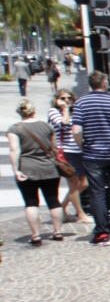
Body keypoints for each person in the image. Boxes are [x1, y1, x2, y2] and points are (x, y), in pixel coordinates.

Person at [72, 71, 110, 246]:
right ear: (105, 83)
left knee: (97, 193)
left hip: (94, 154)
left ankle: (102, 233)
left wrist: (82, 147)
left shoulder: (81, 103)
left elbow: (76, 130)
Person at [7, 99, 65, 245]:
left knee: (31, 202)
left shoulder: (15, 129)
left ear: (19, 112)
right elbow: (54, 147)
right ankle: (57, 232)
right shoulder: (46, 126)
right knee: (53, 200)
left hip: (27, 169)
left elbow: (15, 150)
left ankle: (36, 235)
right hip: (49, 168)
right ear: (34, 111)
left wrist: (15, 170)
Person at [49, 89, 87, 221]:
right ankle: (80, 213)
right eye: (63, 98)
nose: (66, 101)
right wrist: (65, 110)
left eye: (69, 98)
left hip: (79, 150)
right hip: (65, 151)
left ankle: (62, 207)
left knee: (84, 183)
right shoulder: (53, 112)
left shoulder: (76, 111)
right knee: (74, 183)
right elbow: (63, 125)